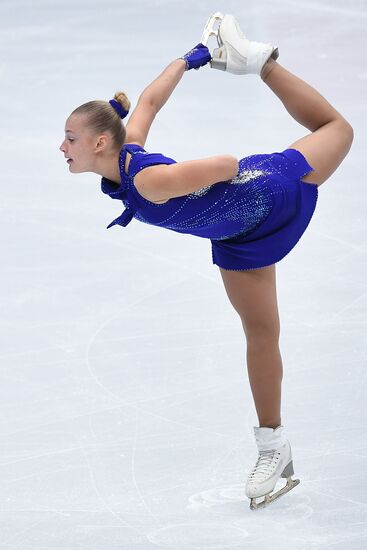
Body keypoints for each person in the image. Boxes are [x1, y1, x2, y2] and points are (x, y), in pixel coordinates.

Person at [59, 13, 353, 510]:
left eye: (70, 138)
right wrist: (191, 59)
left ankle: (258, 61)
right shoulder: (128, 154)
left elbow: (224, 165)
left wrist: (208, 184)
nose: (62, 147)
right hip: (237, 235)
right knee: (261, 335)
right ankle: (273, 450)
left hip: (267, 193)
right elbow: (149, 100)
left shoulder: (145, 179)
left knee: (337, 128)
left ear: (99, 142)